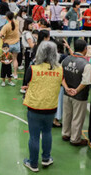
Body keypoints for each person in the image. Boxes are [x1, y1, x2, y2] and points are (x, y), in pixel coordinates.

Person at [20, 41, 62, 172]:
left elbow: (27, 81)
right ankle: (46, 158)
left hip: (34, 106)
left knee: (34, 136)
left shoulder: (33, 68)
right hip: (51, 107)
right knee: (47, 132)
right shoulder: (59, 69)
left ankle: (33, 163)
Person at [0, 12, 21, 79]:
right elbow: (13, 19)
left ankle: (7, 74)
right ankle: (15, 74)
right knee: (15, 59)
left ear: (7, 17)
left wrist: (3, 39)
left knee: (7, 60)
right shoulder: (17, 23)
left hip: (8, 45)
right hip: (16, 44)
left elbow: (1, 35)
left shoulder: (6, 26)